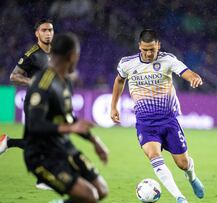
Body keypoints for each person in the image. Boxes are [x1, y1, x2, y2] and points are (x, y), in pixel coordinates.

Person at [110, 29, 205, 203]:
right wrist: (113, 106)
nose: (148, 53)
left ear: (158, 46)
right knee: (154, 156)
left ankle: (192, 178)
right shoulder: (127, 64)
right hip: (145, 124)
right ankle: (180, 197)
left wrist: (194, 77)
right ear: (139, 46)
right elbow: (119, 80)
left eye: (152, 49)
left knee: (183, 164)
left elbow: (186, 72)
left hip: (168, 121)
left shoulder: (167, 60)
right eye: (144, 49)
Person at [23, 33, 109, 203]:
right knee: (89, 196)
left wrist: (94, 140)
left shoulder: (64, 81)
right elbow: (34, 124)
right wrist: (69, 128)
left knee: (101, 190)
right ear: (72, 56)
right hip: (42, 155)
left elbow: (69, 118)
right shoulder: (43, 83)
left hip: (63, 147)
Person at [0, 18, 55, 190]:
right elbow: (13, 76)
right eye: (44, 30)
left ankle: (7, 142)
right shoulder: (31, 54)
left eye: (50, 30)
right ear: (37, 33)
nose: (48, 33)